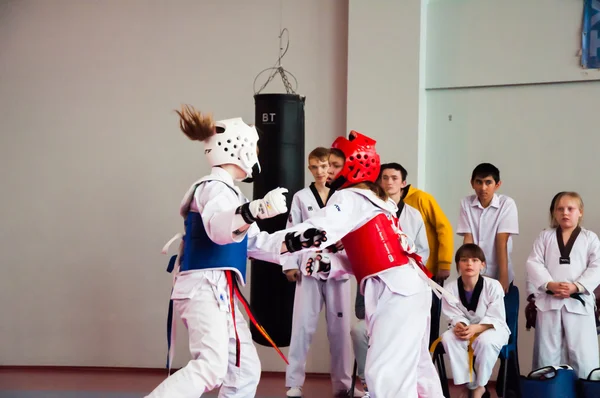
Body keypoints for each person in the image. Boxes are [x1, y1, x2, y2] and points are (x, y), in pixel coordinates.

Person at [146, 105, 323, 398]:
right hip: (203, 286)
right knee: (211, 366)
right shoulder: (213, 187)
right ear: (238, 148)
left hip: (220, 290)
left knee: (244, 370)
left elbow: (254, 243)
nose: (256, 154)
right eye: (253, 147)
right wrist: (257, 209)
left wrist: (299, 240)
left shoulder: (231, 192)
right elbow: (219, 229)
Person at [264, 130, 447, 398]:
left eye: (335, 165)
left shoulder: (348, 198)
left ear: (355, 167)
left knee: (383, 374)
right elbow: (365, 255)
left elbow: (313, 231)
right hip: (409, 288)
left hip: (396, 291)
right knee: (419, 372)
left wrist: (252, 242)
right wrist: (327, 264)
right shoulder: (379, 200)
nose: (328, 171)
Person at [282, 147, 360, 398]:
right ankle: (294, 382)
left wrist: (345, 243)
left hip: (338, 266)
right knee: (302, 326)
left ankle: (343, 385)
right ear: (309, 168)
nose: (319, 171)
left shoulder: (344, 196)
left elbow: (354, 229)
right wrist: (289, 264)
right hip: (309, 264)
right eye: (314, 167)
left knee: (340, 330)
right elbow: (291, 230)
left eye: (324, 166)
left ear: (331, 167)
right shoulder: (301, 197)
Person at [350, 166, 430, 394]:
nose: (388, 182)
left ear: (404, 183)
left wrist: (401, 263)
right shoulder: (368, 213)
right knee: (361, 333)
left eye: (394, 178)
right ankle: (368, 385)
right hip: (378, 284)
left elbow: (422, 252)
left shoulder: (413, 216)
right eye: (384, 177)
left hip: (406, 288)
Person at [526, 191, 600, 379]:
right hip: (550, 301)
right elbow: (533, 262)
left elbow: (597, 266)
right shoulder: (545, 237)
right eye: (560, 209)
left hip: (578, 302)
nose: (565, 212)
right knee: (548, 354)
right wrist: (549, 284)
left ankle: (586, 389)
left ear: (580, 212)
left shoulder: (590, 238)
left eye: (570, 208)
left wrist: (577, 286)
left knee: (583, 355)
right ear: (554, 213)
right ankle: (550, 391)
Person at [440, 243, 510, 398]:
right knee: (448, 338)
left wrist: (476, 328)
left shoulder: (493, 286)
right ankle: (467, 384)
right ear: (458, 264)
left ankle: (480, 386)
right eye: (464, 260)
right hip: (465, 329)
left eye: (474, 260)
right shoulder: (450, 288)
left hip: (492, 328)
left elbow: (495, 316)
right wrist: (460, 325)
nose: (469, 264)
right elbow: (453, 314)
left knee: (485, 342)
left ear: (482, 265)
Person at [457, 163, 519, 293]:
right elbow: (468, 239)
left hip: (499, 270)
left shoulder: (506, 204)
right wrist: (466, 273)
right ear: (472, 183)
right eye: (479, 182)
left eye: (488, 182)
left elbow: (502, 241)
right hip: (474, 273)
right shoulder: (466, 203)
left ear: (497, 185)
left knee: (500, 311)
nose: (483, 187)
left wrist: (503, 277)